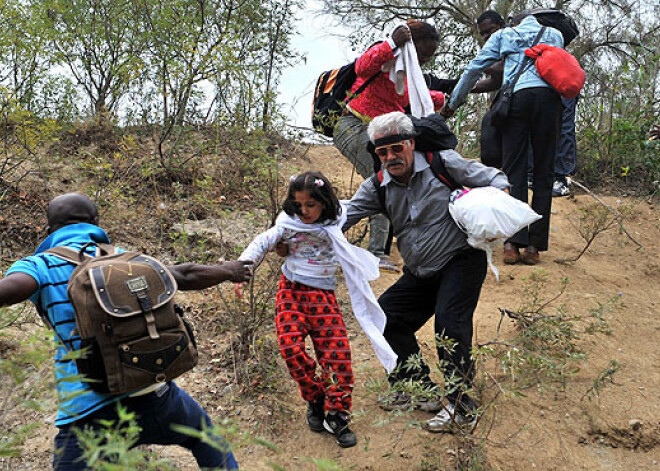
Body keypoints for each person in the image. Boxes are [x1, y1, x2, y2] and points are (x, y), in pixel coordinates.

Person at [0, 193, 253, 470]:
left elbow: (10, 290)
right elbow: (184, 275)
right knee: (207, 440)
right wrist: (229, 270)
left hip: (89, 413)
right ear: (95, 223)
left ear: (49, 230)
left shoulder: (39, 266)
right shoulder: (125, 259)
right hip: (154, 396)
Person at [342, 112, 510, 432]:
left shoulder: (442, 163)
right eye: (382, 152)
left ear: (411, 144)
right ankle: (419, 389)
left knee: (450, 326)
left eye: (397, 148)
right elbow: (342, 216)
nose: (391, 157)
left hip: (461, 259)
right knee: (386, 316)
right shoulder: (378, 184)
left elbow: (495, 178)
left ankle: (462, 407)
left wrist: (495, 204)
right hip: (420, 271)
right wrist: (296, 233)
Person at [237, 171, 396, 448]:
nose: (304, 211)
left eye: (310, 205)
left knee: (337, 355)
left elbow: (365, 202)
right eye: (298, 205)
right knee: (290, 348)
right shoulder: (287, 224)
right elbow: (263, 241)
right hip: (292, 291)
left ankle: (336, 414)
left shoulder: (337, 218)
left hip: (323, 296)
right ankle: (315, 396)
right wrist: (242, 268)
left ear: (323, 201)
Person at [445, 13, 564, 266]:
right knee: (544, 171)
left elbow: (474, 69)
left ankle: (512, 244)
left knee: (514, 170)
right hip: (549, 103)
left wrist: (453, 103)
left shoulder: (504, 35)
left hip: (517, 103)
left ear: (514, 23)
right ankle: (534, 248)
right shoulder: (555, 35)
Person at [333, 21, 447, 273]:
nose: (426, 60)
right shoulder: (386, 55)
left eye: (430, 55)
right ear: (410, 45)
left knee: (390, 182)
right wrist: (393, 43)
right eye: (423, 54)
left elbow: (412, 97)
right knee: (382, 183)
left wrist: (445, 98)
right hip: (354, 127)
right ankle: (374, 252)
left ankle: (329, 232)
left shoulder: (407, 74)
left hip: (377, 135)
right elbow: (363, 66)